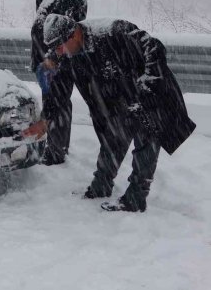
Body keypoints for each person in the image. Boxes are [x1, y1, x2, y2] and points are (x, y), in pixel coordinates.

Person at [23, 14, 196, 212]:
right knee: (113, 140)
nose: (58, 52)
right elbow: (58, 91)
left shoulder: (113, 31)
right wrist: (46, 120)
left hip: (150, 97)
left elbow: (154, 48)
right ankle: (101, 186)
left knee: (147, 141)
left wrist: (148, 85)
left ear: (74, 35)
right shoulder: (68, 56)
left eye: (60, 46)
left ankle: (136, 198)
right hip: (120, 101)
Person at [30, 0, 88, 166]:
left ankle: (56, 151)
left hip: (58, 61)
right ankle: (54, 147)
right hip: (49, 59)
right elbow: (44, 20)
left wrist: (54, 58)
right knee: (52, 103)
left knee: (58, 104)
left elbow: (66, 31)